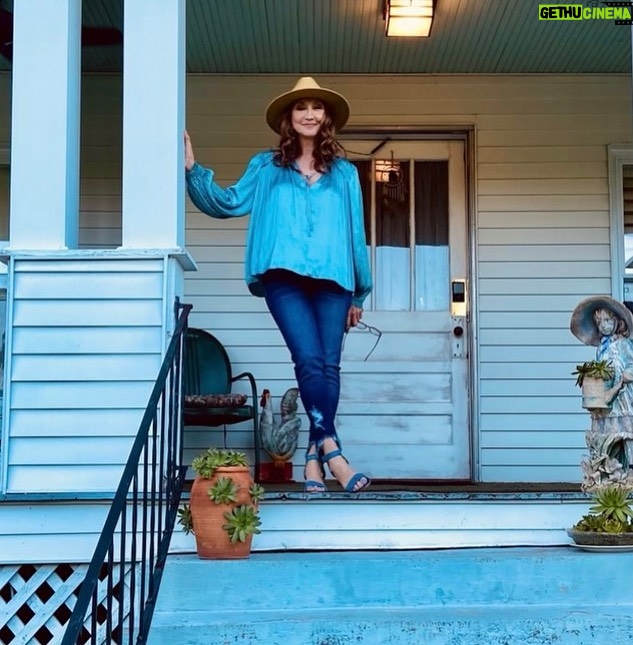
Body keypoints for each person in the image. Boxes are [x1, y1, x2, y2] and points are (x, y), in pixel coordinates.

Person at [184, 77, 373, 493]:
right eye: (300, 107)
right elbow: (228, 202)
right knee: (308, 360)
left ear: (326, 118)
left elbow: (356, 233)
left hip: (335, 280)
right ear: (289, 117)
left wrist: (359, 292)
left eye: (317, 107)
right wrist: (193, 171)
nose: (309, 113)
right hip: (282, 278)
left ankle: (312, 460)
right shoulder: (267, 167)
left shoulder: (344, 174)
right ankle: (333, 450)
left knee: (328, 365)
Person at [570, 296, 633, 480]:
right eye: (599, 322)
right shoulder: (602, 348)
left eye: (607, 320)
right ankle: (608, 466)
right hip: (607, 397)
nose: (604, 325)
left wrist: (628, 373)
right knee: (608, 433)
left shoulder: (624, 344)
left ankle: (630, 467)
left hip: (624, 398)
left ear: (617, 321)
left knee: (627, 433)